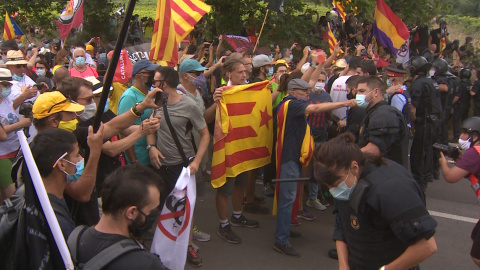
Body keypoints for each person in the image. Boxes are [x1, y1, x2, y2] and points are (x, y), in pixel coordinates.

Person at [314, 132, 437, 269]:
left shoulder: (391, 188)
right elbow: (342, 223)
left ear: (354, 167)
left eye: (336, 183)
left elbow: (426, 246)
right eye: (328, 186)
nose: (333, 190)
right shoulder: (348, 181)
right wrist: (343, 265)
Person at [273, 78, 356, 257]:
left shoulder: (290, 102)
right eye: (304, 92)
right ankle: (281, 239)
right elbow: (316, 109)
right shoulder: (292, 104)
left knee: (290, 197)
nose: (308, 94)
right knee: (287, 199)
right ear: (294, 91)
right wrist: (347, 102)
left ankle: (285, 230)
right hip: (290, 157)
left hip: (293, 156)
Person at [147, 66, 209, 267]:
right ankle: (162, 248)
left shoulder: (189, 106)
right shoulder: (156, 101)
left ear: (163, 84)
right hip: (159, 166)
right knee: (160, 208)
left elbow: (205, 135)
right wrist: (151, 147)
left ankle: (187, 245)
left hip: (182, 168)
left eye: (155, 81)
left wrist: (197, 161)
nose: (152, 85)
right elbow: (150, 127)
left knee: (184, 210)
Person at [71, 164, 168, 270]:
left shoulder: (74, 239)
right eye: (151, 210)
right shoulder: (146, 264)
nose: (154, 215)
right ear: (131, 212)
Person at [205, 59, 259, 245]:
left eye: (246, 71)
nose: (245, 75)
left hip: (242, 146)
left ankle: (237, 215)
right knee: (224, 187)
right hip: (226, 149)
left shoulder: (248, 90)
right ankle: (223, 224)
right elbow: (206, 118)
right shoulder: (220, 91)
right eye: (240, 72)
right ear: (228, 74)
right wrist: (216, 101)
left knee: (240, 184)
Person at [31, 127, 103, 238]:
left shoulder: (34, 198)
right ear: (62, 164)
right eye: (76, 155)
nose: (80, 160)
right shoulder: (56, 221)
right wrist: (95, 153)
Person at [439, 117, 480, 267]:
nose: (460, 137)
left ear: (474, 136)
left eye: (464, 133)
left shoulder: (474, 153)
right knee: (476, 237)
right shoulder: (475, 152)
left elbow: (451, 177)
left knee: (477, 255)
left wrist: (443, 163)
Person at [405, 56, 443, 191]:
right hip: (435, 122)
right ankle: (427, 175)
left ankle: (418, 182)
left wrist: (412, 123)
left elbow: (413, 108)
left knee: (418, 153)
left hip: (425, 122)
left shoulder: (418, 84)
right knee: (428, 150)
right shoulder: (432, 82)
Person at [356, 76, 409, 167]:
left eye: (362, 91)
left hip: (387, 174)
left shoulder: (383, 115)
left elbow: (373, 151)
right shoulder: (374, 112)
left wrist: (348, 155)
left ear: (376, 92)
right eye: (357, 92)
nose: (357, 95)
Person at [118, 59, 158, 166]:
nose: (153, 75)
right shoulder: (129, 97)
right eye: (149, 73)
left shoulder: (150, 93)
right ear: (138, 76)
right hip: (140, 159)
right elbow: (122, 130)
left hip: (151, 156)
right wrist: (134, 161)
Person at [0, 68, 31, 202]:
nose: (8, 88)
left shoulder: (5, 99)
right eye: (5, 85)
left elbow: (11, 109)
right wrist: (20, 124)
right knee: (13, 196)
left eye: (9, 85)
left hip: (16, 150)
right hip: (2, 155)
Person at [430, 58, 457, 144]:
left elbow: (445, 88)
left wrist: (431, 85)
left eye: (434, 69)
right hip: (444, 109)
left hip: (440, 110)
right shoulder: (446, 78)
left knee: (439, 132)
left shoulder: (442, 79)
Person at [453, 69, 472, 141]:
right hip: (467, 104)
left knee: (456, 121)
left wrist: (451, 103)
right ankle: (465, 137)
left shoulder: (460, 84)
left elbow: (457, 96)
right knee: (465, 121)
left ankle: (456, 137)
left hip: (459, 105)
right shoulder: (470, 84)